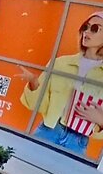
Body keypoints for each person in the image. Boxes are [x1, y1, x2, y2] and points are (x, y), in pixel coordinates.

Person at [20, 12, 103, 154]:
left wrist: (101, 120)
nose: (86, 32)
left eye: (94, 28)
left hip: (78, 140)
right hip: (49, 130)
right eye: (85, 27)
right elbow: (40, 105)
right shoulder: (61, 63)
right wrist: (34, 83)